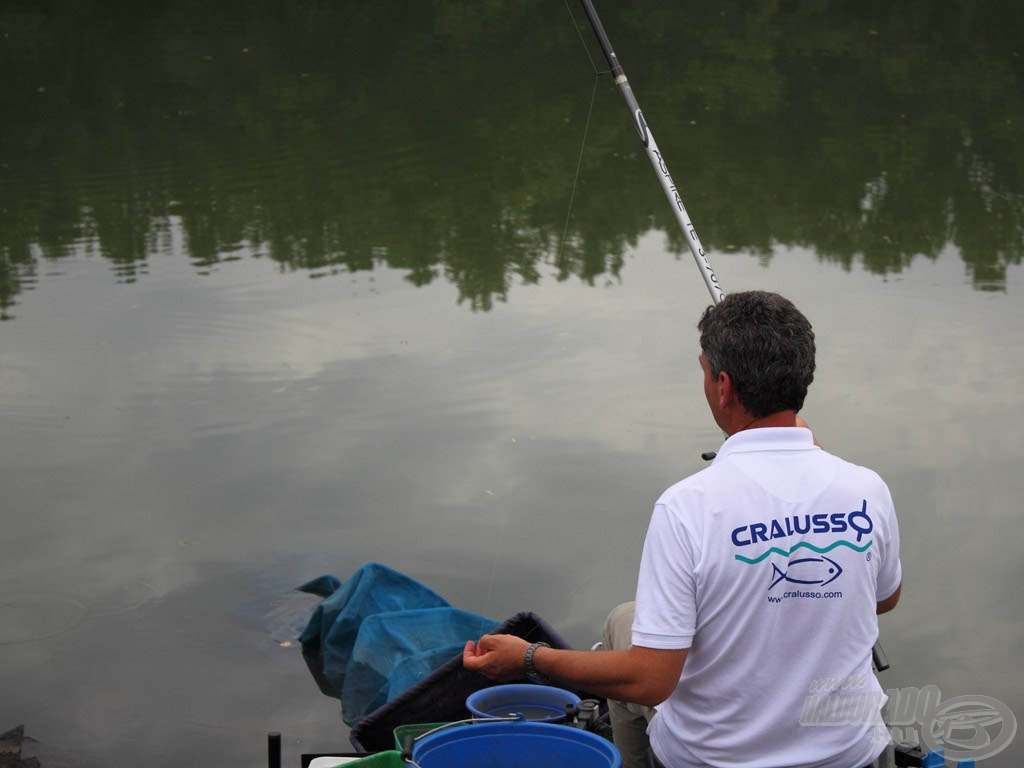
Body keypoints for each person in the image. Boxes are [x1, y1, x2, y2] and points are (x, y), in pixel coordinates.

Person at [463, 291, 902, 768]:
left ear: (724, 387)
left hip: (714, 760)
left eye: (704, 371)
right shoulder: (866, 488)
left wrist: (530, 658)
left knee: (622, 622)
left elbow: (652, 681)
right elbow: (882, 597)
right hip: (850, 755)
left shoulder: (686, 506)